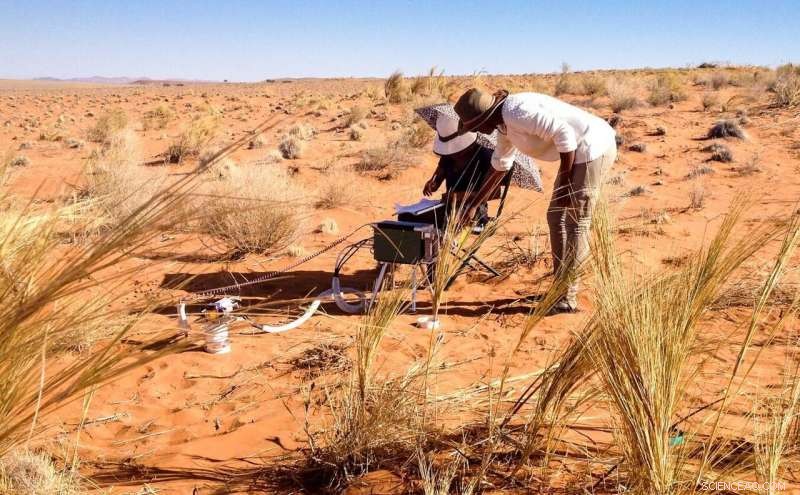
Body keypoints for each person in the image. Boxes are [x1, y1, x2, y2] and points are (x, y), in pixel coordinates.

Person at [448, 88, 617, 314]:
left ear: (484, 118)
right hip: (576, 152)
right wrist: (474, 204)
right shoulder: (504, 127)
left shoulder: (516, 113)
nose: (477, 131)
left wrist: (565, 183)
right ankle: (560, 288)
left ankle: (567, 297)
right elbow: (500, 166)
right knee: (555, 217)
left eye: (475, 126)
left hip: (592, 147)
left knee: (576, 222)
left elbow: (564, 135)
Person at [399, 115, 500, 229]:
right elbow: (437, 179)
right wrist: (433, 183)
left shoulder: (484, 155)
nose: (453, 153)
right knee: (406, 216)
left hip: (472, 210)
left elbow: (494, 193)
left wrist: (459, 196)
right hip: (448, 207)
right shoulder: (448, 155)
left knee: (451, 222)